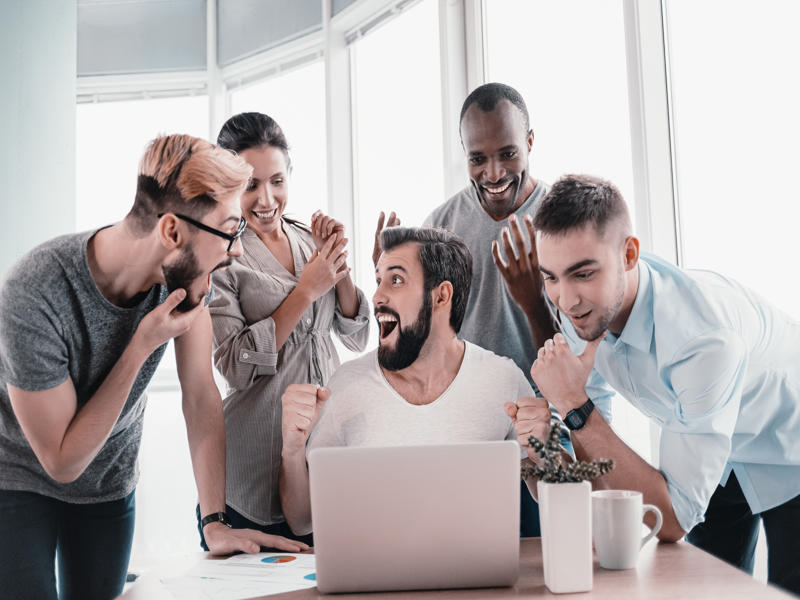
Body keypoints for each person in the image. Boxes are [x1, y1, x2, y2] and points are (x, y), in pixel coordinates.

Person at [0, 134, 308, 600]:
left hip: (109, 480)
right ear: (172, 233)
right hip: (19, 478)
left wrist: (214, 522)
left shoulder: (188, 277)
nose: (238, 251)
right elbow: (61, 461)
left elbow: (200, 395)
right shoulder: (34, 292)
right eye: (229, 230)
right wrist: (140, 346)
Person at [519, 173, 800, 595]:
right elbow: (594, 448)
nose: (566, 300)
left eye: (583, 274)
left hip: (789, 447)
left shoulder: (701, 340)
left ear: (629, 254)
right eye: (551, 277)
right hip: (716, 455)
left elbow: (672, 519)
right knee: (705, 590)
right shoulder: (582, 310)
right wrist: (548, 445)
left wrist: (573, 405)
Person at [279, 226, 548, 534]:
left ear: (441, 296)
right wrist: (292, 451)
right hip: (377, 566)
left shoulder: (503, 380)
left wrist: (545, 453)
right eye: (378, 280)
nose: (377, 296)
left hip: (478, 565)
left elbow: (549, 497)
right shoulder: (346, 385)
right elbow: (302, 520)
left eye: (396, 280)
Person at [205, 112, 370, 548]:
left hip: (321, 459)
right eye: (250, 185)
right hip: (251, 470)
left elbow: (356, 336)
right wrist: (305, 290)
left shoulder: (305, 238)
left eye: (277, 181)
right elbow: (235, 367)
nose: (266, 199)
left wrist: (334, 259)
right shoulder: (221, 258)